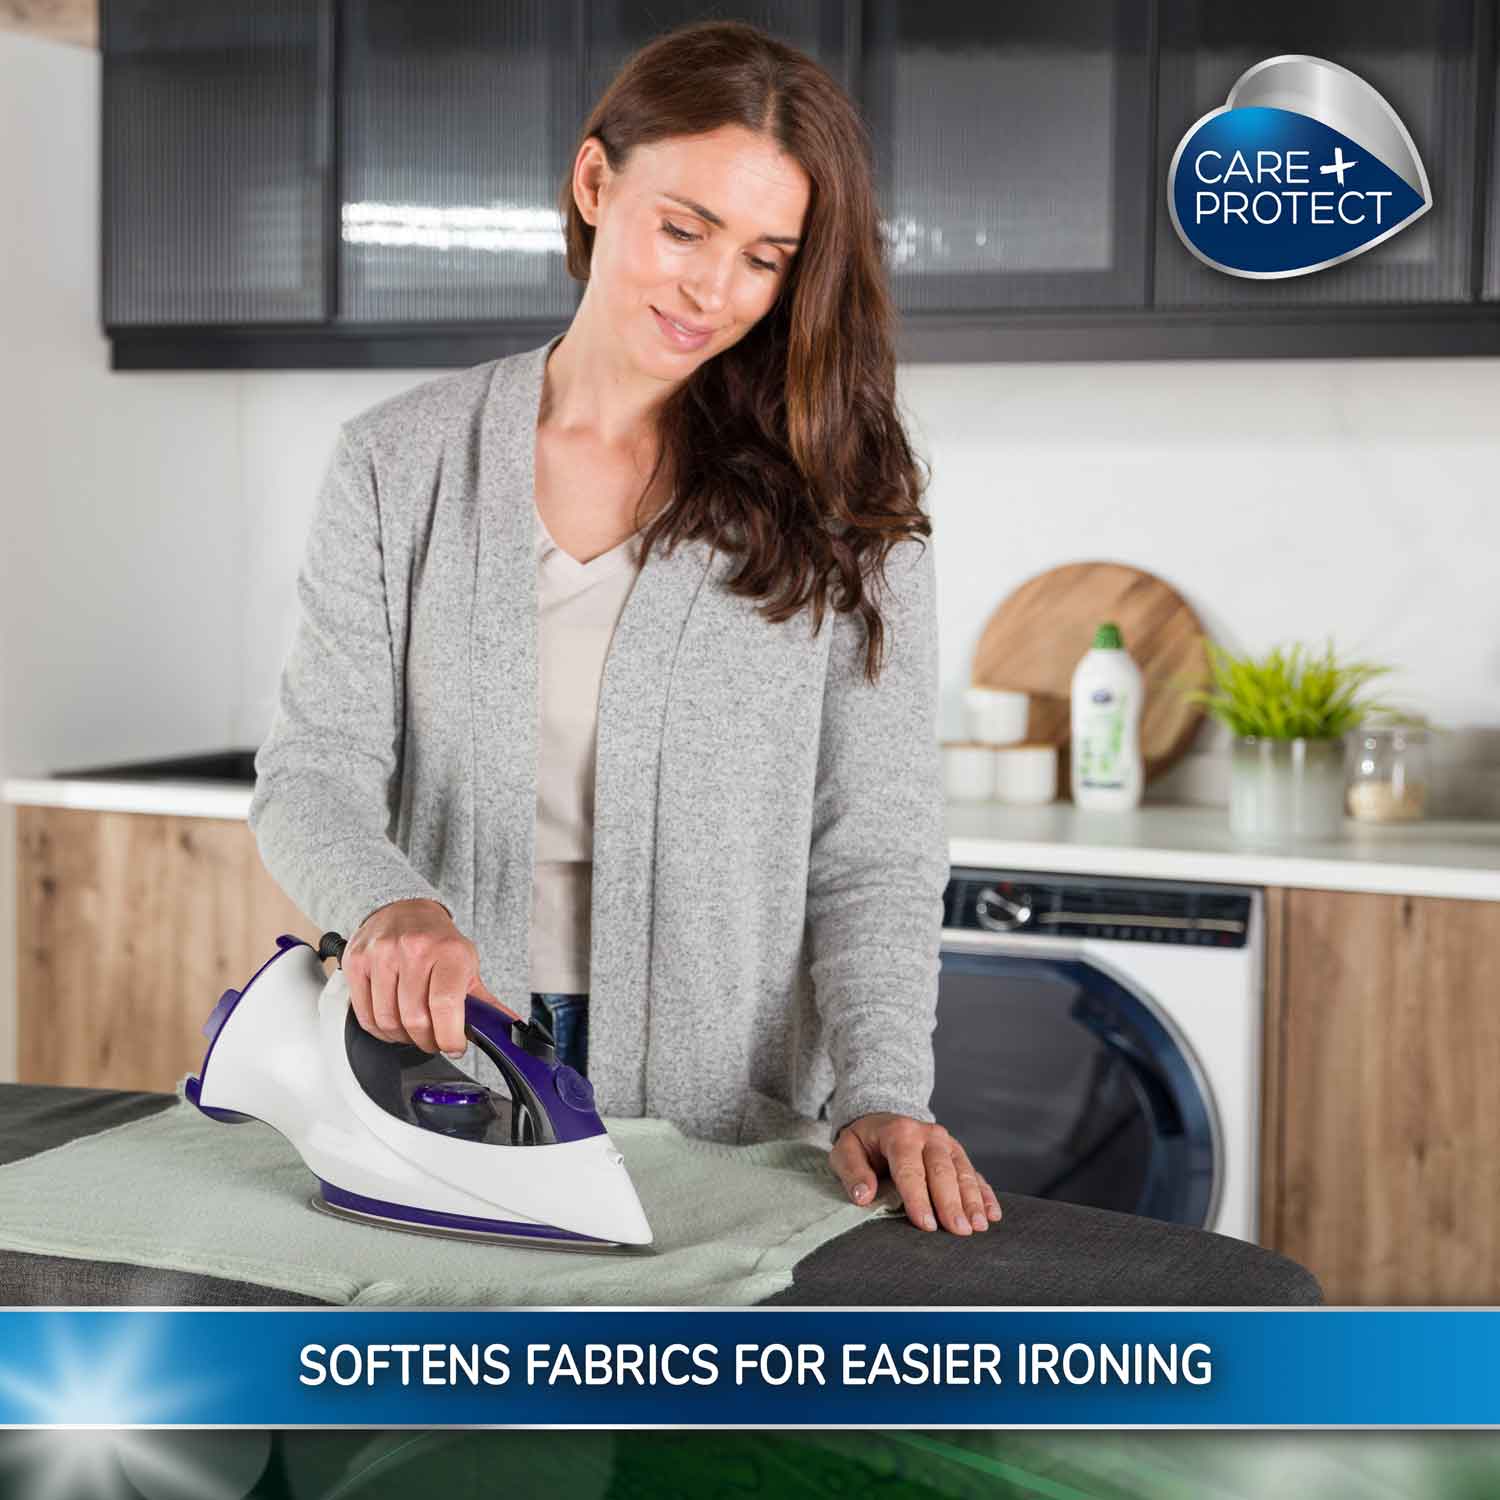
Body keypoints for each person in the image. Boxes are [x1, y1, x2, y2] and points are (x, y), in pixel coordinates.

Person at [248, 22, 1321, 1305]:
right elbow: (312, 771)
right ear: (596, 188)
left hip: (729, 1104)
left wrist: (884, 1090)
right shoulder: (399, 462)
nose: (714, 291)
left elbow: (871, 844)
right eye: (683, 228)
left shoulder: (841, 497)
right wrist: (389, 904)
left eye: (766, 258)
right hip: (437, 1080)